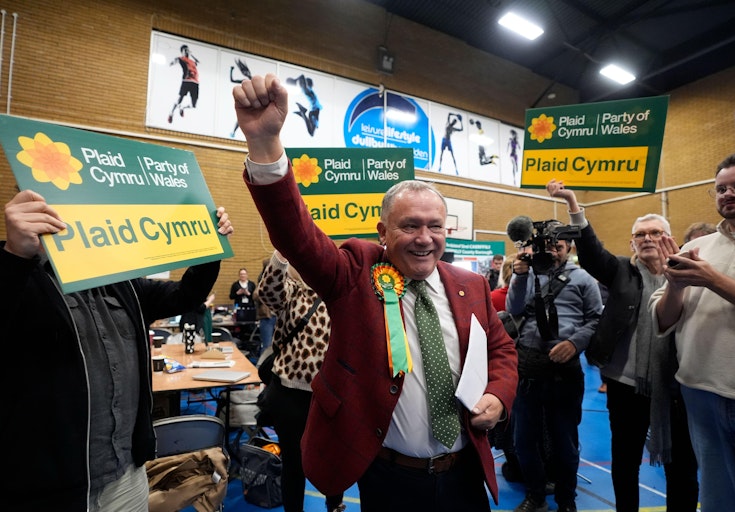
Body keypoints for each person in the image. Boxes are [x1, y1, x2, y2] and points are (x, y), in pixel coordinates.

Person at [232, 73, 518, 512]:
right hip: (388, 477)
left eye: (435, 226)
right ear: (383, 232)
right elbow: (298, 238)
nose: (425, 238)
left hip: (464, 471)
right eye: (410, 226)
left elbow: (502, 352)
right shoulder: (355, 273)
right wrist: (266, 145)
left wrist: (498, 396)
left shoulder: (472, 285)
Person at [1, 189, 233, 511]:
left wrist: (209, 251)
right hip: (48, 486)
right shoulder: (17, 273)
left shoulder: (122, 282)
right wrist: (14, 256)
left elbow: (185, 296)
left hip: (125, 474)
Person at [547, 179, 699, 512]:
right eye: (641, 234)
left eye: (655, 232)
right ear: (632, 242)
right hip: (625, 384)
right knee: (625, 461)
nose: (648, 238)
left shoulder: (691, 274)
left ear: (668, 238)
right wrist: (573, 202)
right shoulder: (620, 272)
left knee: (683, 464)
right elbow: (590, 252)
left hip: (677, 386)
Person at [650, 150, 735, 512]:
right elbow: (663, 320)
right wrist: (675, 285)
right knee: (720, 502)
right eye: (720, 189)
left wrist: (713, 280)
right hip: (699, 395)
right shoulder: (695, 248)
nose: (728, 194)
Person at [506, 234, 603, 512]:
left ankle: (566, 501)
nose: (552, 252)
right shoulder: (530, 275)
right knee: (523, 440)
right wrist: (520, 276)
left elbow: (596, 318)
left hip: (565, 372)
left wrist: (575, 344)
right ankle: (535, 496)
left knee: (565, 442)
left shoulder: (583, 279)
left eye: (557, 247)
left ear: (569, 248)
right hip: (528, 368)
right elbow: (512, 309)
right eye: (547, 247)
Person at [255, 251, 345, 512]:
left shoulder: (339, 291)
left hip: (331, 393)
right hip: (290, 393)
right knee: (294, 463)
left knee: (333, 458)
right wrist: (282, 255)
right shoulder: (293, 289)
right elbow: (268, 293)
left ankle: (335, 505)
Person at [168, 44, 200, 124]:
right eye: (185, 50)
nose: (186, 51)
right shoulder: (181, 59)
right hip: (186, 81)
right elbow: (173, 62)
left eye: (187, 50)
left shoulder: (192, 61)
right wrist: (173, 62)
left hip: (195, 83)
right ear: (182, 51)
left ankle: (182, 108)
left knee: (193, 105)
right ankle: (171, 113)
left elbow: (199, 62)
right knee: (180, 99)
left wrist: (191, 54)